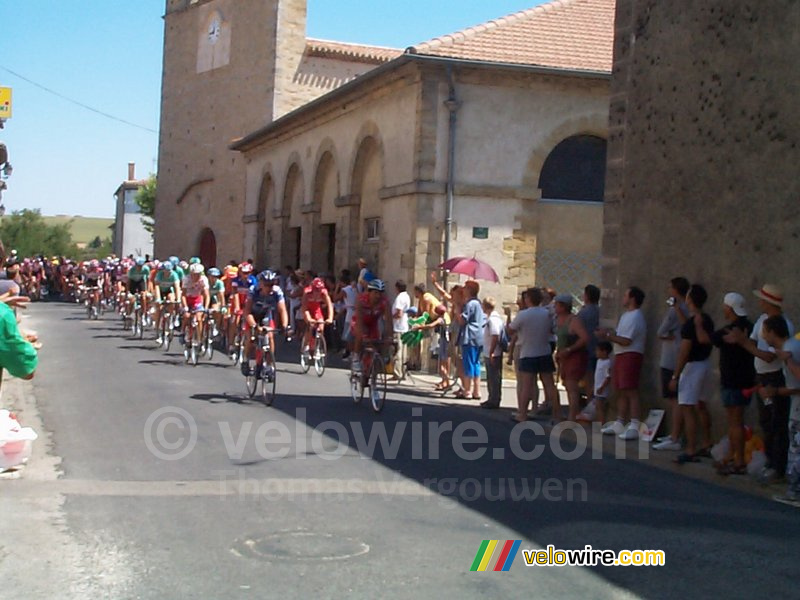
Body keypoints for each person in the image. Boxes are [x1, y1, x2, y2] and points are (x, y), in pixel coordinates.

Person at [725, 284, 794, 483]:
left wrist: (743, 343)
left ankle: (778, 467)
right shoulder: (762, 321)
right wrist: (742, 341)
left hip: (774, 378)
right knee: (766, 423)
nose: (759, 302)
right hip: (762, 377)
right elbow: (755, 345)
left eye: (762, 299)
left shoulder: (783, 324)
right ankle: (770, 462)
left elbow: (769, 357)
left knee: (777, 424)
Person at [669, 284, 715, 464]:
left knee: (687, 408)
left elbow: (684, 351)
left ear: (690, 299)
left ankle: (690, 449)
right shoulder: (706, 320)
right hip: (705, 364)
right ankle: (707, 442)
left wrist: (675, 375)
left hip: (692, 367)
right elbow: (689, 327)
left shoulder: (690, 325)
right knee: (701, 405)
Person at [711, 292, 756, 474]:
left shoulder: (732, 329)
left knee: (735, 422)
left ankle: (738, 460)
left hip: (734, 381)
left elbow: (713, 339)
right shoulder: (750, 327)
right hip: (745, 380)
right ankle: (731, 456)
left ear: (730, 308)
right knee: (735, 422)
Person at [597, 286, 647, 440]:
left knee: (630, 390)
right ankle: (619, 421)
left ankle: (634, 424)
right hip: (620, 354)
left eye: (626, 295)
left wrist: (607, 336)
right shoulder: (626, 315)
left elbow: (626, 340)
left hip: (631, 354)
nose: (623, 298)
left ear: (632, 298)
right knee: (621, 390)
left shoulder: (636, 316)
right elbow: (619, 336)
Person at [761, 316, 800, 506]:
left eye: (765, 330)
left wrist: (776, 391)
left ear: (772, 332)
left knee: (796, 448)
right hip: (795, 402)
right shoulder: (791, 346)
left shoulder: (790, 350)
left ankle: (795, 492)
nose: (763, 335)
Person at [509, 287, 559, 422]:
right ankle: (557, 414)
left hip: (528, 351)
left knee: (526, 385)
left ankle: (523, 414)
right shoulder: (547, 314)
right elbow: (553, 329)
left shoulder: (524, 315)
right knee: (550, 384)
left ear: (528, 299)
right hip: (544, 351)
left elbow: (511, 329)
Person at [653, 276, 691, 451]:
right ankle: (674, 435)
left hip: (671, 358)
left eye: (670, 287)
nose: (668, 290)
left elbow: (661, 331)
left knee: (674, 399)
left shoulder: (676, 309)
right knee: (674, 399)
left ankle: (675, 436)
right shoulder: (686, 308)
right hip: (675, 356)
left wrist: (667, 336)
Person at [241, 270, 289, 378]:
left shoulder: (277, 291)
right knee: (251, 338)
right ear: (261, 284)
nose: (269, 287)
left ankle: (269, 365)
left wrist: (285, 326)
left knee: (270, 336)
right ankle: (245, 360)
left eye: (272, 284)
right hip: (252, 315)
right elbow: (247, 312)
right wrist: (254, 326)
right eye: (267, 285)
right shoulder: (254, 290)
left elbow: (282, 310)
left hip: (266, 315)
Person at [553, 293, 590, 421]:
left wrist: (569, 349)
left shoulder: (573, 320)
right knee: (568, 386)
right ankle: (571, 415)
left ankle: (572, 417)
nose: (554, 307)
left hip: (574, 356)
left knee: (572, 387)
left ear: (563, 306)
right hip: (564, 356)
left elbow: (584, 338)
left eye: (556, 304)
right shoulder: (558, 320)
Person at [351, 279, 393, 373]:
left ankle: (371, 368)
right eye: (375, 293)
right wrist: (363, 336)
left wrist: (390, 337)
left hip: (373, 323)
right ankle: (356, 357)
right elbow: (359, 321)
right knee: (360, 336)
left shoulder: (385, 302)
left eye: (380, 293)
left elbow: (389, 322)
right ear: (369, 292)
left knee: (376, 342)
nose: (378, 296)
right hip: (359, 321)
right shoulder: (361, 300)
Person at [456, 280, 485, 401]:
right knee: (476, 363)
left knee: (468, 363)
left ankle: (467, 390)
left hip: (469, 336)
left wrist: (458, 310)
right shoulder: (478, 303)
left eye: (466, 288)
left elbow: (462, 320)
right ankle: (476, 390)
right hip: (478, 336)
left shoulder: (470, 304)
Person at [301, 277, 334, 360]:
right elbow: (304, 308)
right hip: (307, 310)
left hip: (316, 309)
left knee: (321, 326)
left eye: (319, 290)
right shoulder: (307, 292)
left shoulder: (324, 293)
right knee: (311, 325)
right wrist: (308, 318)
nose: (318, 292)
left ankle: (318, 348)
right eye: (316, 290)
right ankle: (306, 346)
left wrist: (330, 318)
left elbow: (330, 305)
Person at [481, 296, 504, 409]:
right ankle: (492, 398)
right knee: (492, 377)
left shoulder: (493, 319)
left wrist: (491, 352)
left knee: (494, 377)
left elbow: (495, 335)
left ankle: (494, 400)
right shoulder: (493, 318)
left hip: (493, 351)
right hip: (491, 350)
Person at [391, 280, 411, 381]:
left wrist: (390, 317)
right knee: (403, 351)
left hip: (398, 327)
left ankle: (397, 373)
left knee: (397, 350)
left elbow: (399, 313)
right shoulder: (406, 296)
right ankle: (403, 372)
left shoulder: (399, 298)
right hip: (405, 326)